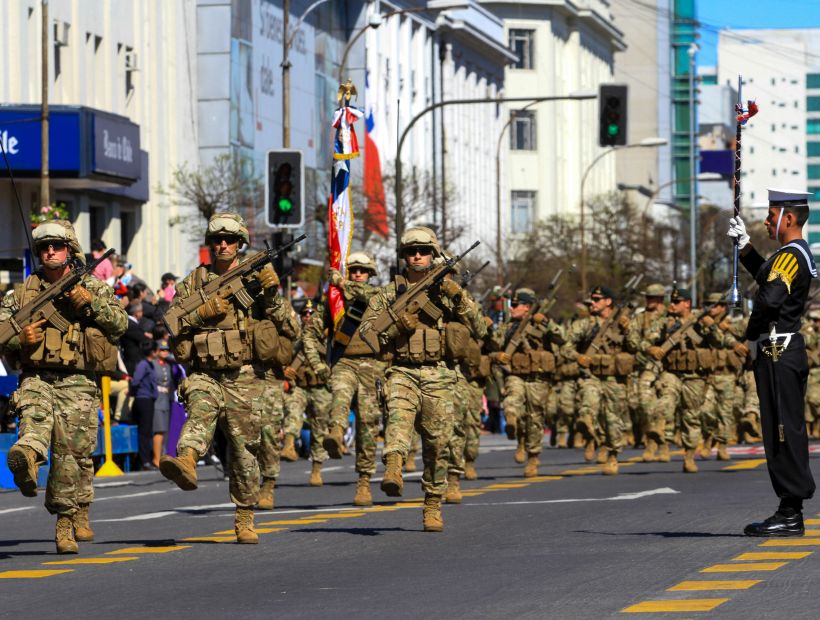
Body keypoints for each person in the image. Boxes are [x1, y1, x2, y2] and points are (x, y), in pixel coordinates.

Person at [159, 213, 287, 544]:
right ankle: (187, 459)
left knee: (245, 451)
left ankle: (245, 515)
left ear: (241, 243)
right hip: (205, 372)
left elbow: (286, 324)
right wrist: (203, 313)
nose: (223, 244)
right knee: (200, 409)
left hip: (245, 375)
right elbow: (172, 323)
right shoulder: (192, 283)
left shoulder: (257, 275)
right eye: (217, 239)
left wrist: (272, 293)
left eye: (230, 239)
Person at [1, 220, 127, 554]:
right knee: (33, 423)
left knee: (71, 457)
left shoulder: (93, 286)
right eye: (44, 247)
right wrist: (19, 338)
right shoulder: (21, 293)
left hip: (78, 382)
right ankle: (26, 459)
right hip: (36, 377)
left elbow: (120, 325)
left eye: (56, 245)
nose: (50, 251)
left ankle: (66, 520)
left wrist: (89, 303)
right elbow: (2, 334)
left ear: (69, 249)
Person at [359, 227, 486, 532]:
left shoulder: (446, 291)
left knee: (437, 443)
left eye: (424, 251)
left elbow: (480, 329)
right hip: (401, 370)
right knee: (397, 422)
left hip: (439, 374)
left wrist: (460, 298)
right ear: (403, 256)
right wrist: (397, 327)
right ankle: (393, 467)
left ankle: (432, 502)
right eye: (411, 251)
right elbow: (366, 332)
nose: (417, 255)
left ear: (433, 255)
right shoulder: (389, 294)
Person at [728, 188, 817, 536]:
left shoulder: (790, 256)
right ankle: (788, 508)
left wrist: (750, 333)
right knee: (781, 429)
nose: (766, 220)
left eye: (771, 214)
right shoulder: (789, 256)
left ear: (788, 218)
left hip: (778, 350)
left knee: (782, 431)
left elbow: (770, 298)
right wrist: (746, 248)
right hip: (780, 350)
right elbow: (768, 277)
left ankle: (790, 511)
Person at [321, 251, 387, 507]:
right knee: (340, 395)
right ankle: (336, 432)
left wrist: (342, 282)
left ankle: (364, 481)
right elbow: (316, 327)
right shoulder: (335, 299)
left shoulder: (378, 295)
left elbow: (374, 298)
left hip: (372, 363)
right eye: (353, 270)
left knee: (368, 423)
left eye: (362, 270)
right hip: (344, 360)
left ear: (370, 274)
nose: (358, 274)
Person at [130, 339, 158, 469]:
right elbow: (135, 381)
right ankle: (144, 461)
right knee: (144, 431)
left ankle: (146, 459)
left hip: (149, 399)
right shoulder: (143, 364)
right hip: (143, 399)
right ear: (152, 352)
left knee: (147, 431)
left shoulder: (149, 364)